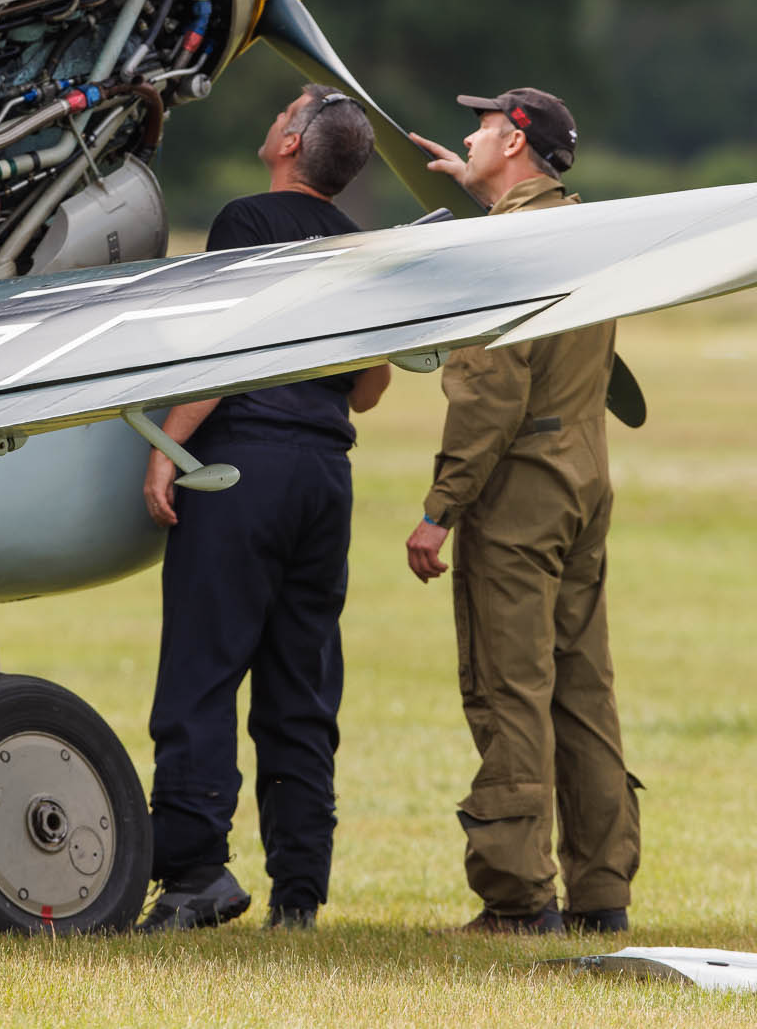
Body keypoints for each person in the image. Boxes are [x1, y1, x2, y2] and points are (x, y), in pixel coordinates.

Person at [136, 84, 392, 932]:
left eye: (281, 110)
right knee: (301, 682)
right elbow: (369, 386)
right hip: (325, 477)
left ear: (290, 143)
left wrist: (168, 451)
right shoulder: (360, 247)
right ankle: (300, 894)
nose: (272, 116)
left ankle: (196, 872)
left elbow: (227, 347)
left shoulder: (247, 221)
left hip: (243, 468)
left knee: (202, 676)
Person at [402, 87, 640, 936]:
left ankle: (515, 896)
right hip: (584, 480)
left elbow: (490, 391)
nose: (466, 134)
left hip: (520, 492)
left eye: (480, 127)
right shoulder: (577, 229)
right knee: (584, 691)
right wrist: (485, 201)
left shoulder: (505, 247)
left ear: (513, 139)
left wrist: (440, 509)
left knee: (511, 689)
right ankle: (602, 890)